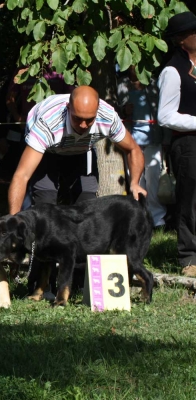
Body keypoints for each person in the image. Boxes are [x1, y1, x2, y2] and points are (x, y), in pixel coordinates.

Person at [8, 86, 146, 298]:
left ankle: (82, 284)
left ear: (98, 112)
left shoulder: (107, 117)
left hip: (80, 151)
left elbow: (133, 149)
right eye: (78, 119)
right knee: (45, 207)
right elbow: (21, 176)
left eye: (89, 120)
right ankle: (42, 286)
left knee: (87, 209)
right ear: (68, 109)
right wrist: (14, 221)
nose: (83, 125)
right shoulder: (48, 122)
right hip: (48, 151)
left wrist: (135, 182)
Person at [157, 11, 196, 276]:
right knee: (190, 201)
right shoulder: (172, 71)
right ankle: (189, 258)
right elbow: (164, 115)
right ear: (183, 40)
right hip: (188, 144)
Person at [118, 65, 169, 228]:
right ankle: (140, 216)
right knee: (136, 179)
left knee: (153, 176)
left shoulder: (153, 83)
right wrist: (124, 110)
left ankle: (157, 217)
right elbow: (117, 111)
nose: (136, 67)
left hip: (153, 138)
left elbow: (162, 110)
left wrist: (166, 138)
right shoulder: (122, 84)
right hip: (131, 140)